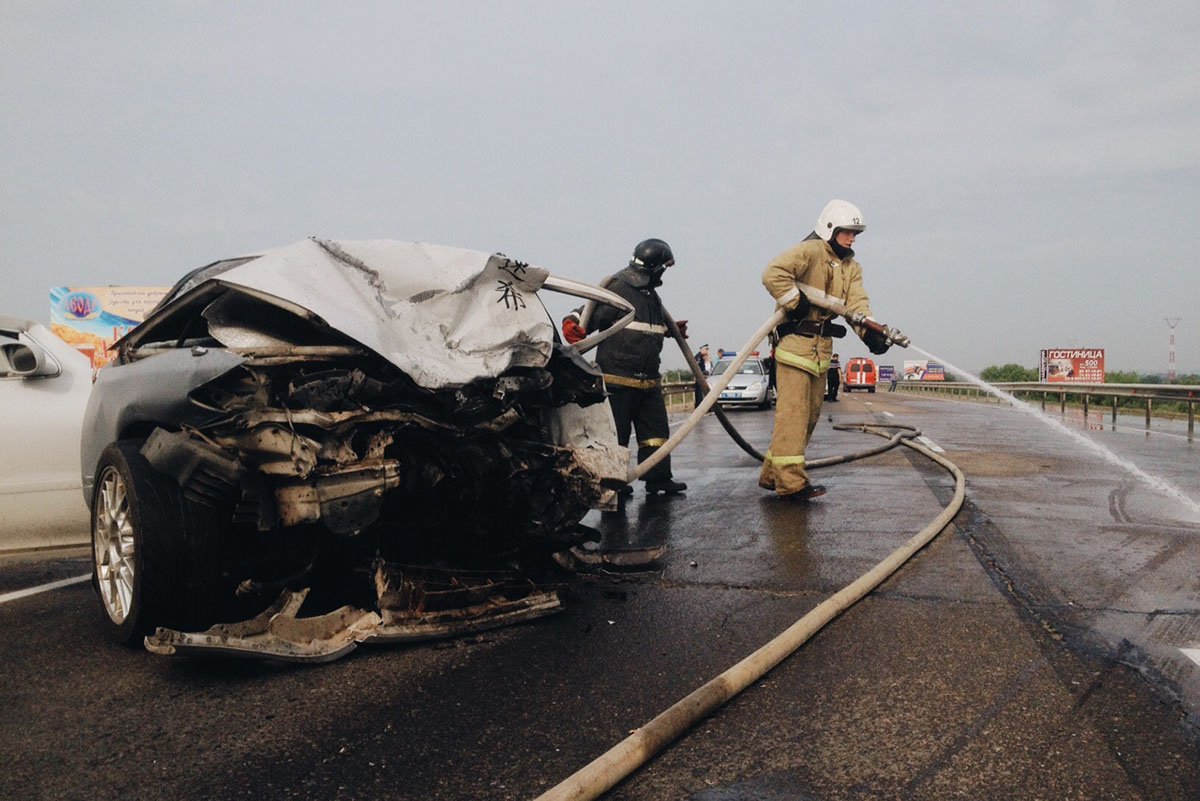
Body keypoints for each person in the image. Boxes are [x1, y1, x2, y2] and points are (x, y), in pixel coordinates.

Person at [759, 199, 891, 501]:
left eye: (856, 233)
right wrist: (796, 302)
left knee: (809, 418)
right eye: (848, 231)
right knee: (792, 416)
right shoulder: (809, 251)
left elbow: (856, 305)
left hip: (821, 352)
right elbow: (773, 273)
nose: (853, 238)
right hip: (795, 347)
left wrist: (870, 334)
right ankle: (791, 484)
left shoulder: (852, 268)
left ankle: (772, 475)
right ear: (830, 228)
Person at [562, 238, 688, 496]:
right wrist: (571, 323)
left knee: (656, 435)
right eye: (664, 267)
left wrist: (671, 330)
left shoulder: (651, 296)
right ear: (655, 267)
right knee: (616, 436)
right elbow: (587, 310)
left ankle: (658, 478)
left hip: (649, 381)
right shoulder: (618, 287)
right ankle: (613, 485)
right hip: (618, 381)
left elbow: (644, 328)